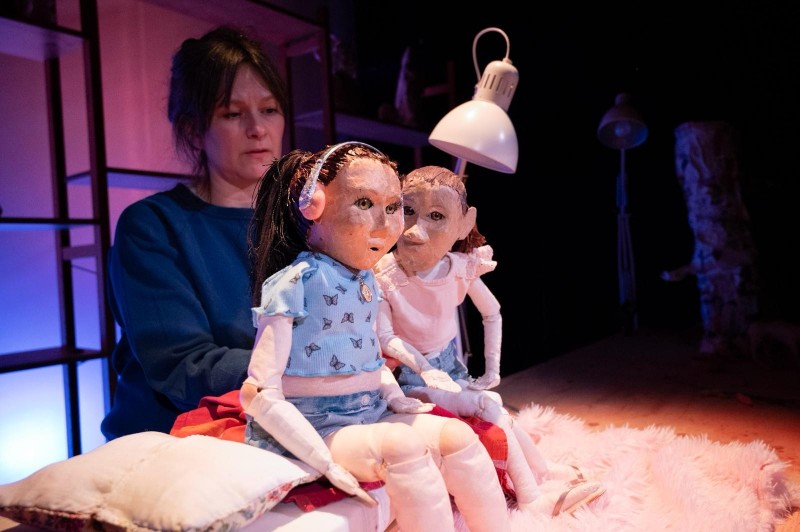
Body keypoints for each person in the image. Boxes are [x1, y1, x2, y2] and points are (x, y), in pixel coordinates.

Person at [239, 142, 512, 532]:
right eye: (364, 204)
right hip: (314, 424)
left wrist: (394, 395)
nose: (385, 225)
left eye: (393, 207)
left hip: (370, 409)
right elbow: (259, 392)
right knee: (403, 446)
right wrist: (323, 460)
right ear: (312, 206)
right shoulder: (294, 284)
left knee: (458, 437)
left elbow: (366, 349)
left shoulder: (366, 279)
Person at [374, 165, 605, 517]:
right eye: (408, 210)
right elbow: (385, 337)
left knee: (497, 408)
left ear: (463, 224)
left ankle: (541, 472)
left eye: (436, 216)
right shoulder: (384, 276)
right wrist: (423, 367)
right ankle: (531, 499)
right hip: (409, 378)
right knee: (487, 405)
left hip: (449, 366)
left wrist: (492, 369)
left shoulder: (459, 267)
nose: (417, 229)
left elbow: (492, 313)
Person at [101, 25, 289, 440]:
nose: (258, 128)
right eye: (233, 114)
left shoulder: (303, 221)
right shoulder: (152, 226)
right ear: (192, 130)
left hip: (284, 426)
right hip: (174, 442)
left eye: (270, 109)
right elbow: (183, 365)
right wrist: (313, 368)